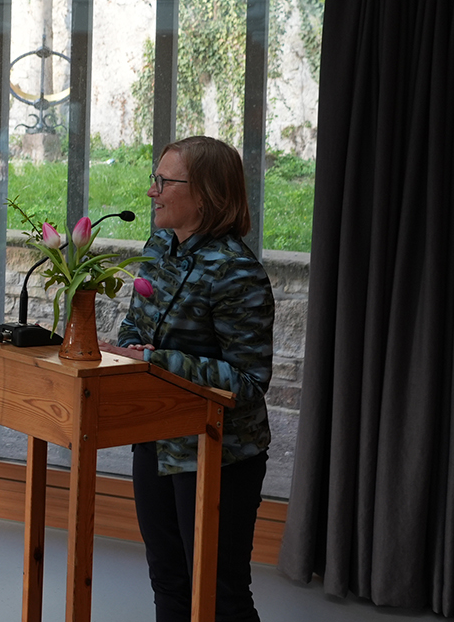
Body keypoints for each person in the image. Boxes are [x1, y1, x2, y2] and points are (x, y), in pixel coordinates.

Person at [103, 136, 274, 622]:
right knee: (169, 583)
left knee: (220, 594)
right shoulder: (159, 247)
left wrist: (159, 361)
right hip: (155, 439)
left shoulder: (238, 272)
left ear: (205, 195)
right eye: (154, 179)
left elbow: (248, 382)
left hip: (220, 454)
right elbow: (135, 325)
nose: (152, 191)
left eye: (164, 182)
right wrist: (132, 349)